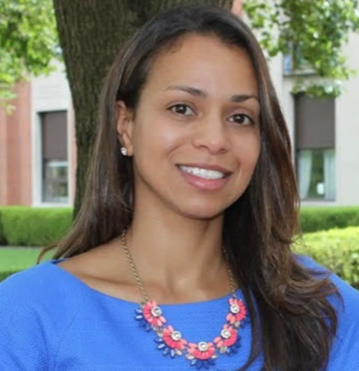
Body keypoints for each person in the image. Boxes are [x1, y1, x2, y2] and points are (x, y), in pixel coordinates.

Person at [0, 5, 358, 371]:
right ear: (125, 124)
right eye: (182, 108)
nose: (215, 140)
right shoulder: (28, 315)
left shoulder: (325, 312)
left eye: (240, 117)